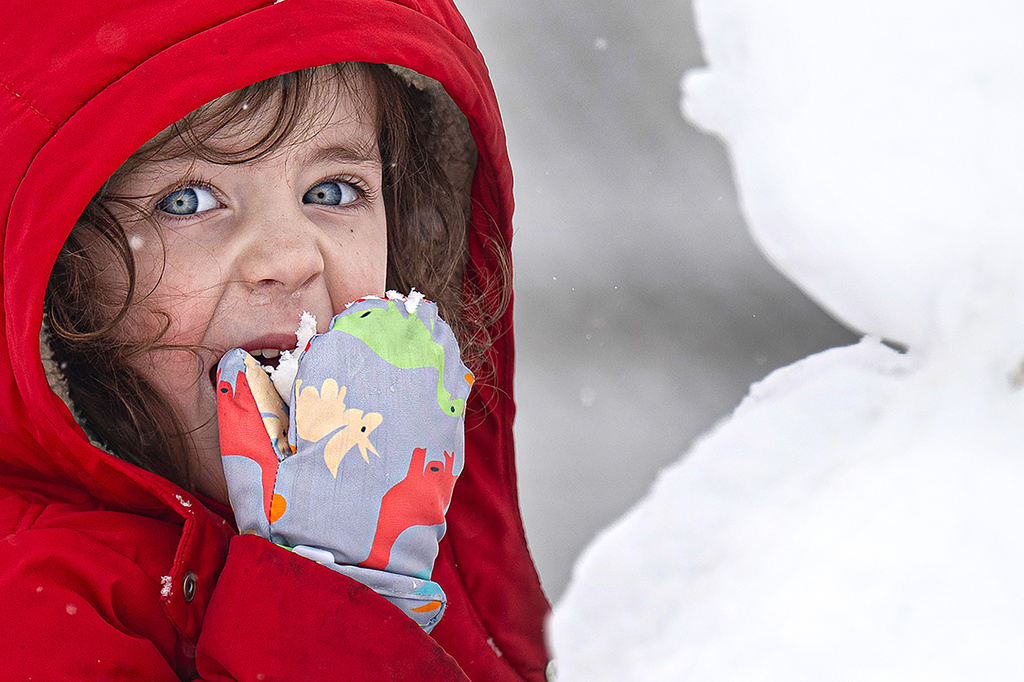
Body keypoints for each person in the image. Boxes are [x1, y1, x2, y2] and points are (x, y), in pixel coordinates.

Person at [0, 1, 551, 679]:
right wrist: (335, 603)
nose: (292, 257)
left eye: (333, 189)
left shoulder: (422, 532)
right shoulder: (29, 606)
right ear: (64, 281)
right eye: (188, 201)